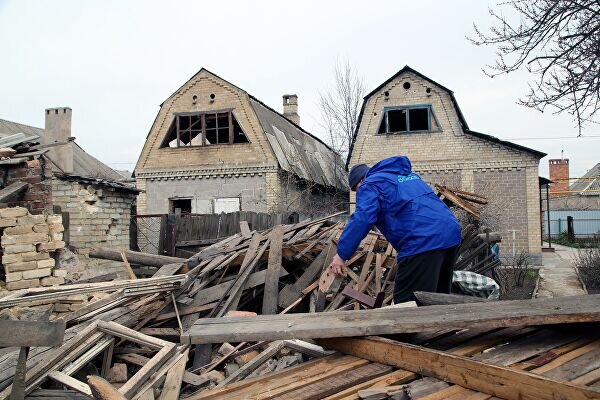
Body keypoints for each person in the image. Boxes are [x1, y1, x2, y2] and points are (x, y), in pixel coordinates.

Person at [330, 155, 461, 303]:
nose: (359, 193)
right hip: (451, 235)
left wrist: (341, 254)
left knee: (407, 306)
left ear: (361, 181)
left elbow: (362, 218)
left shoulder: (370, 183)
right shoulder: (408, 176)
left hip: (422, 241)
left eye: (357, 189)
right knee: (437, 300)